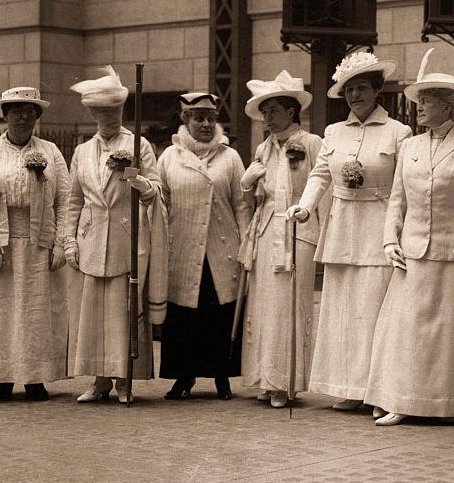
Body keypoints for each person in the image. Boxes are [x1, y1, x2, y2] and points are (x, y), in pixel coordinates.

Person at [363, 49, 454, 425]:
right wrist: (390, 241)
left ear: (449, 107)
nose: (420, 106)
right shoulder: (410, 147)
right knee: (407, 330)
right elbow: (396, 202)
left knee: (444, 332)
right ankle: (400, 399)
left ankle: (448, 402)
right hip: (411, 252)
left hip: (450, 253)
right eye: (419, 99)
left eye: (428, 100)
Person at [285, 51, 411, 413]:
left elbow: (404, 185)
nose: (355, 95)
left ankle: (378, 390)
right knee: (344, 312)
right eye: (349, 90)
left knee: (374, 311)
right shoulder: (333, 132)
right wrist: (306, 206)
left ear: (376, 91)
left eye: (361, 88)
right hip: (342, 229)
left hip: (379, 226)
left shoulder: (399, 132)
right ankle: (349, 387)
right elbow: (321, 174)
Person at [65, 66, 167, 404]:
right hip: (92, 239)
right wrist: (69, 240)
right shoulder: (81, 151)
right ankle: (99, 381)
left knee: (123, 314)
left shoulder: (139, 143)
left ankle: (124, 380)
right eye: (104, 112)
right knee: (94, 315)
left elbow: (157, 191)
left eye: (116, 111)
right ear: (93, 112)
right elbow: (74, 199)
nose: (110, 117)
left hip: (127, 238)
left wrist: (136, 180)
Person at [0, 87, 70, 401]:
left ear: (37, 116)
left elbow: (65, 201)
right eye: (16, 110)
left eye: (30, 111)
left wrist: (60, 244)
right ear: (5, 115)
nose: (24, 117)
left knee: (34, 311)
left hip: (38, 242)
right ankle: (1, 378)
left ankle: (34, 378)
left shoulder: (51, 153)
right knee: (0, 312)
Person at [156, 92, 252, 400]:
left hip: (221, 249)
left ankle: (221, 377)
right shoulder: (169, 157)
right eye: (199, 118)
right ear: (186, 120)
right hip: (183, 249)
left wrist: (247, 242)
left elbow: (241, 203)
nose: (207, 124)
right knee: (185, 316)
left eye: (211, 118)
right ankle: (184, 377)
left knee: (218, 313)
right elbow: (161, 203)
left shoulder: (230, 157)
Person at [239, 70, 322, 408]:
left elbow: (323, 188)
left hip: (297, 231)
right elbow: (255, 199)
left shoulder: (311, 143)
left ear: (291, 111)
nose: (268, 118)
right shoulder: (264, 148)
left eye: (274, 110)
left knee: (288, 306)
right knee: (263, 307)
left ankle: (285, 383)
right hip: (266, 229)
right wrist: (247, 184)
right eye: (265, 112)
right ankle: (264, 377)